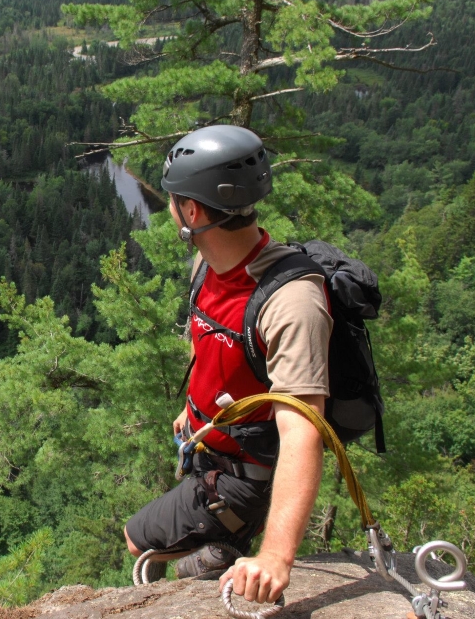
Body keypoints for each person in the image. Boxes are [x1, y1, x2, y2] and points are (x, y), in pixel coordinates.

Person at [123, 125, 332, 605]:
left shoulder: (290, 302)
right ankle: (220, 549)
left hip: (243, 477)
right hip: (211, 449)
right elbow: (215, 348)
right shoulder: (208, 266)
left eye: (173, 200)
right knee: (181, 557)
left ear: (191, 211)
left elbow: (304, 430)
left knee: (138, 540)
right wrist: (192, 409)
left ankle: (226, 545)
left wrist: (276, 558)